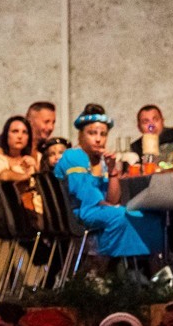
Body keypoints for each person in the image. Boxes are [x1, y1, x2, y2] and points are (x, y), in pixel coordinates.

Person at [52, 104, 164, 261]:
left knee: (146, 216)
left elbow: (113, 199)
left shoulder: (103, 161)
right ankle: (104, 269)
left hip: (97, 210)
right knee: (119, 215)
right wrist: (115, 207)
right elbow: (87, 198)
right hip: (77, 213)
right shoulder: (73, 156)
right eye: (92, 133)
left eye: (103, 134)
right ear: (80, 135)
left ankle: (152, 270)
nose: (98, 139)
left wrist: (112, 171)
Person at [0, 115, 42, 220]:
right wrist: (26, 175)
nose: (20, 136)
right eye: (15, 131)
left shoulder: (35, 158)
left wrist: (36, 167)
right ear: (6, 135)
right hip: (12, 212)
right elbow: (3, 176)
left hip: (38, 208)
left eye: (24, 132)